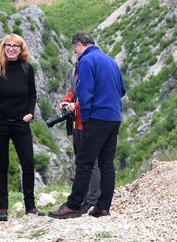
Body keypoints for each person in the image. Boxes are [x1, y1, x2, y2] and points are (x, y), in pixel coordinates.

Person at [49, 31, 126, 219]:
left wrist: (85, 116)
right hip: (114, 117)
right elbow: (122, 90)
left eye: (75, 50)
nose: (75, 54)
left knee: (84, 161)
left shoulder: (86, 61)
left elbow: (85, 93)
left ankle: (73, 205)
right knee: (107, 164)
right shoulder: (111, 61)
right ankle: (103, 207)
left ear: (79, 45)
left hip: (96, 118)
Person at [0, 34, 42, 221]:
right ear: (3, 48)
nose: (11, 48)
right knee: (2, 164)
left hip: (20, 123)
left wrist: (30, 113)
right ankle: (2, 209)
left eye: (15, 46)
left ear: (21, 48)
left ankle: (30, 206)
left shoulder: (27, 69)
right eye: (7, 45)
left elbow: (32, 94)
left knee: (28, 163)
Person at [60, 64, 101, 214]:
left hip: (88, 122)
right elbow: (75, 91)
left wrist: (75, 106)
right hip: (77, 123)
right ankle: (84, 198)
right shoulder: (76, 69)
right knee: (81, 162)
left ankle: (92, 200)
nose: (76, 55)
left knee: (92, 162)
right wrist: (66, 100)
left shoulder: (92, 68)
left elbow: (91, 93)